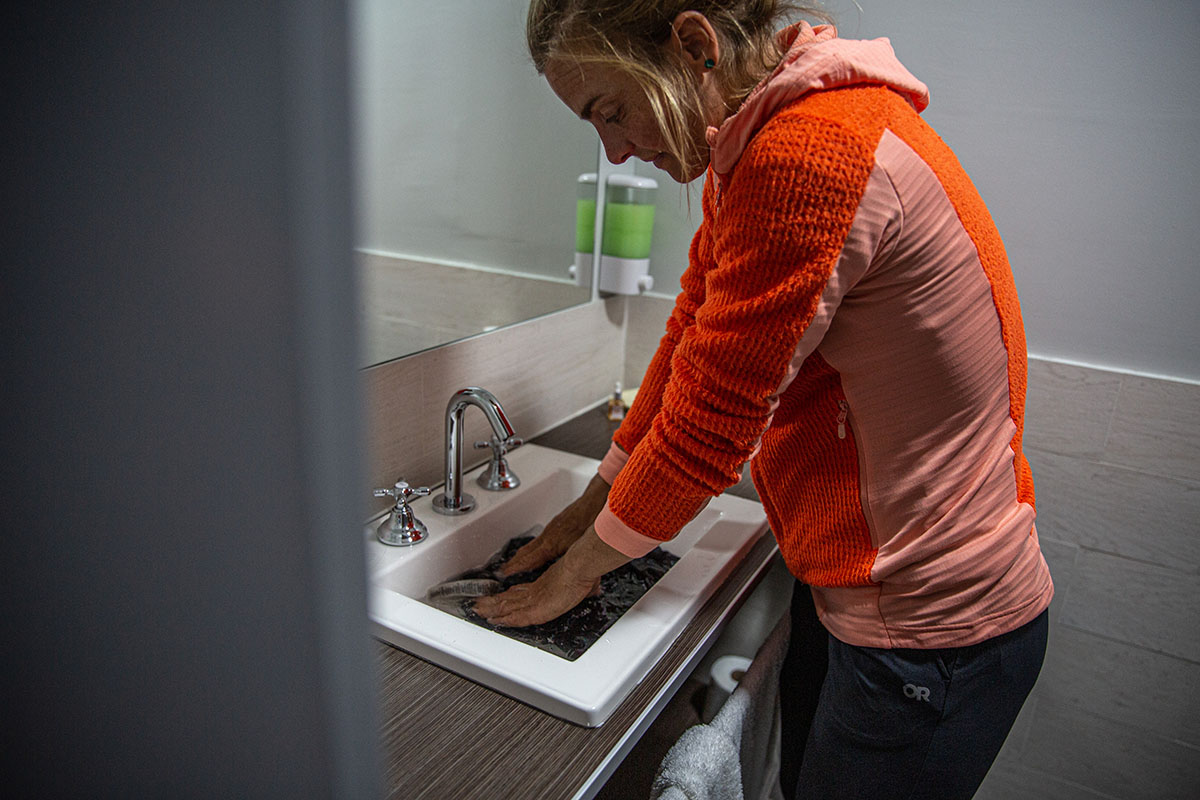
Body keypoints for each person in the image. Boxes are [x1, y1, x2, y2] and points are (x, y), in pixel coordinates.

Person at [473, 2, 1054, 797]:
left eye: (612, 110)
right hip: (872, 591)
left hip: (930, 625)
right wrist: (584, 509)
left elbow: (709, 431)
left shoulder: (807, 149)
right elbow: (690, 340)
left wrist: (573, 575)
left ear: (693, 45)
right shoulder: (760, 138)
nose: (613, 150)